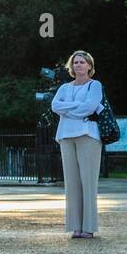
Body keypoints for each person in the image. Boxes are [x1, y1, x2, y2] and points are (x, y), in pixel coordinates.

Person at [51, 50, 105, 238]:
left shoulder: (94, 85)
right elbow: (55, 106)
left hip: (88, 135)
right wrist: (76, 108)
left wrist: (69, 109)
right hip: (66, 135)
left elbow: (90, 107)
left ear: (89, 65)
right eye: (75, 63)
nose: (78, 65)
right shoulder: (65, 88)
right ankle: (76, 227)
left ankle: (88, 227)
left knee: (88, 182)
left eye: (82, 62)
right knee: (72, 183)